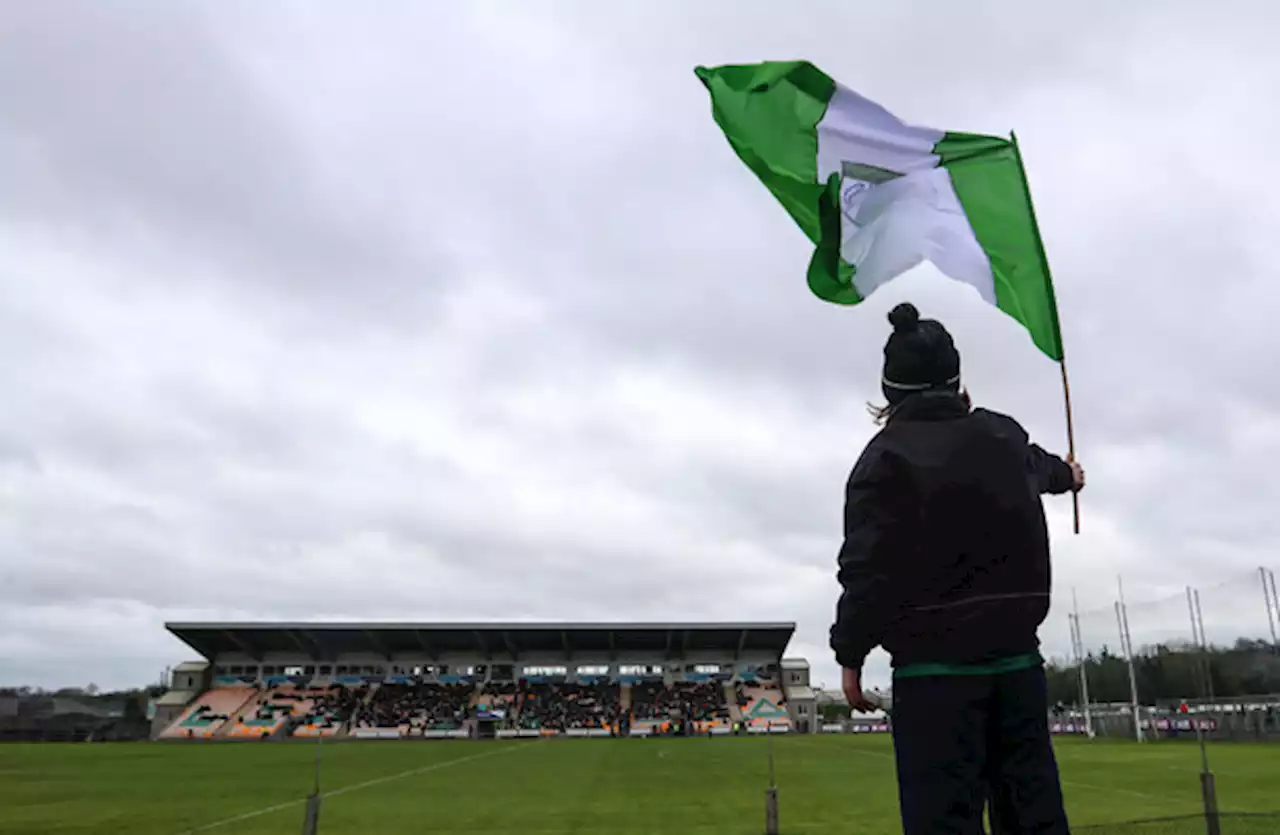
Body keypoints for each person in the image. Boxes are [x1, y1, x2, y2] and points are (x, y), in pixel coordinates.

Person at [830, 303, 1085, 835]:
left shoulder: (881, 461)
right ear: (958, 381)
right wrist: (1069, 474)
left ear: (890, 393)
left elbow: (867, 573)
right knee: (1036, 820)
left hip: (933, 686)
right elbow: (1043, 468)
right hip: (1018, 674)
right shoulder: (1003, 436)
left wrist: (850, 655)